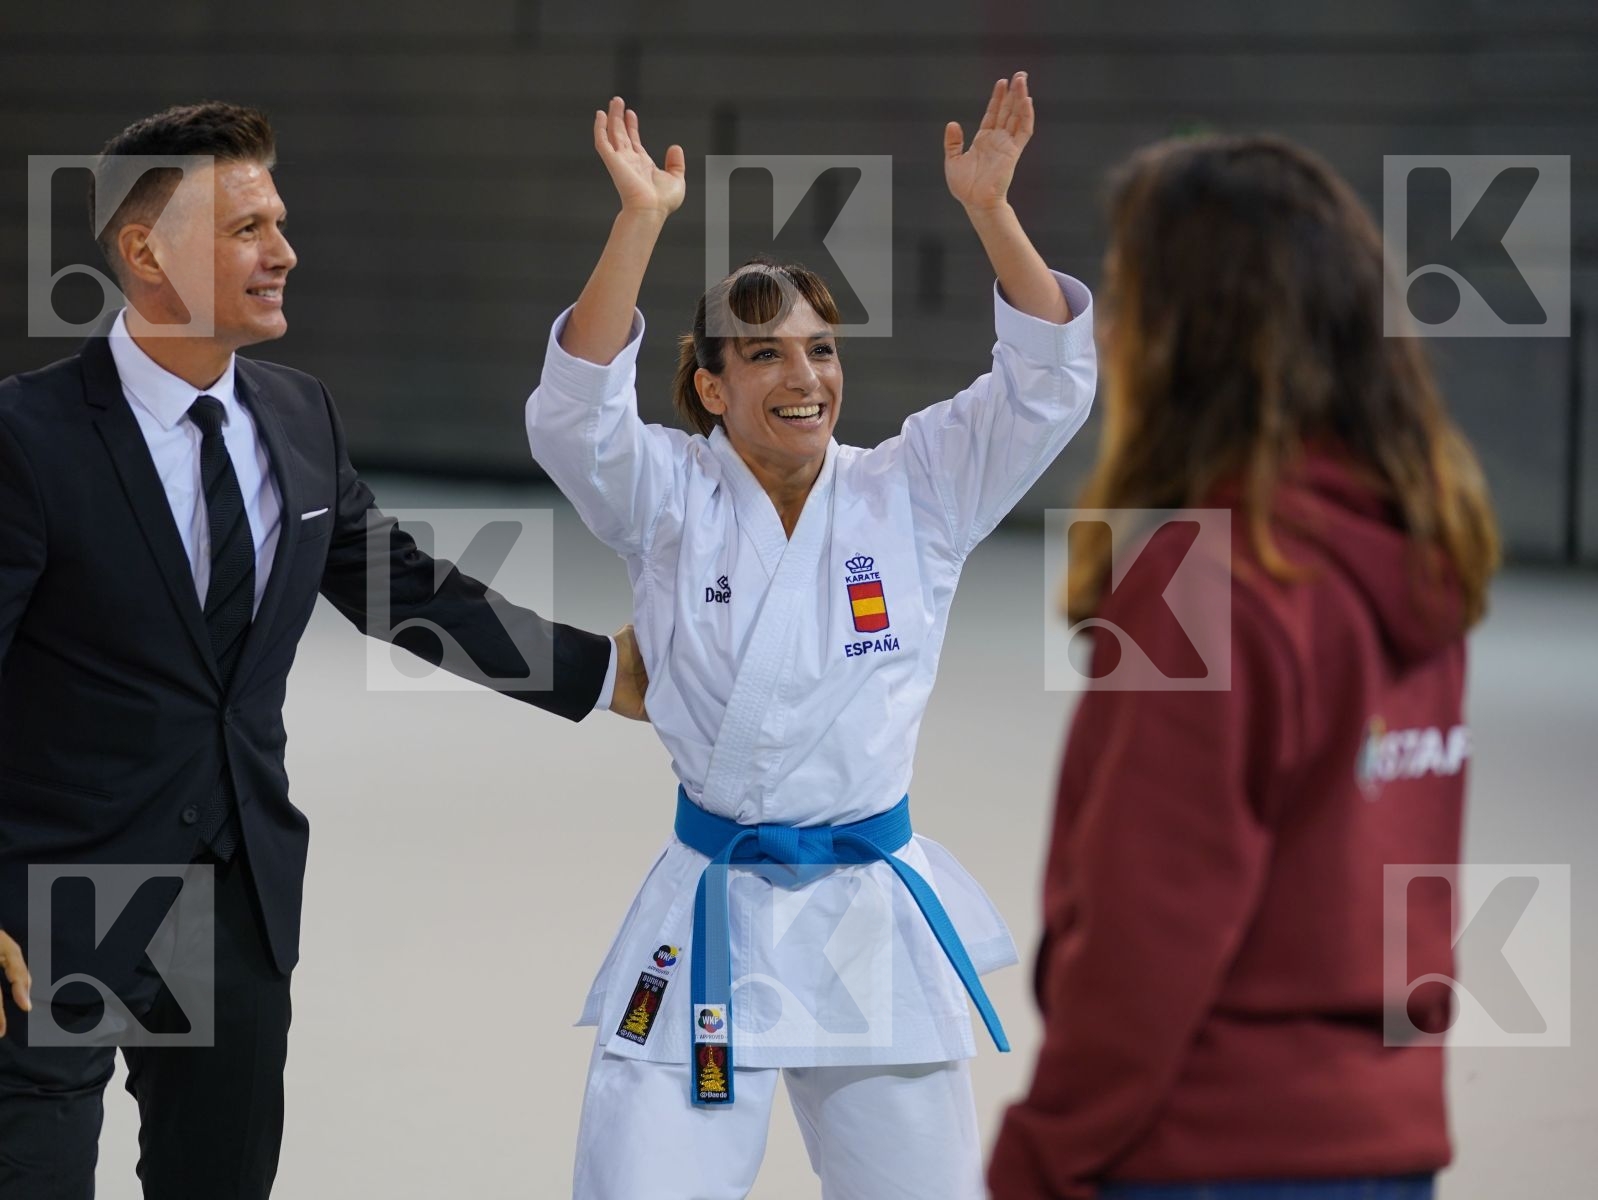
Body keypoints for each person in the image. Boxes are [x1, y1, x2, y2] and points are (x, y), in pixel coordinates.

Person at [0, 101, 646, 1199]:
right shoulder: (26, 437)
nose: (284, 251)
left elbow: (405, 590)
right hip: (62, 901)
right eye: (247, 227)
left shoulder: (298, 418)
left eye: (280, 221)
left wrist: (602, 675)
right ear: (144, 251)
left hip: (235, 894)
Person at [525, 74, 1095, 1199]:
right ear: (709, 385)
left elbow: (1045, 388)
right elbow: (573, 413)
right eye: (768, 355)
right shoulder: (668, 499)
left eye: (823, 351)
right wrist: (639, 221)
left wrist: (990, 209)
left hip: (865, 909)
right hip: (712, 904)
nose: (806, 377)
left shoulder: (912, 489)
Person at [987, 134, 1500, 1200]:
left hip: (1206, 1151)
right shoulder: (1414, 556)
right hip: (1386, 1145)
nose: (1113, 333)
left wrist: (1039, 1153)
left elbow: (1145, 937)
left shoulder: (1204, 582)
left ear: (1193, 337)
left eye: (1129, 298)